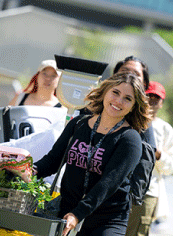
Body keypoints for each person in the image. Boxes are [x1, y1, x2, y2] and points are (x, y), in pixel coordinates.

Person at [34, 72, 151, 236]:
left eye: (128, 98)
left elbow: (108, 183)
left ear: (134, 106)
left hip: (105, 222)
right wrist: (29, 170)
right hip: (66, 214)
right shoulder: (78, 124)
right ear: (105, 91)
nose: (118, 101)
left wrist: (78, 214)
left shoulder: (130, 140)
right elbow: (52, 160)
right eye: (115, 92)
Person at [125, 81, 173, 236]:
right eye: (150, 95)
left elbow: (171, 167)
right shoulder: (128, 120)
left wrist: (159, 155)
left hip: (148, 192)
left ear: (162, 103)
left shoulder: (166, 130)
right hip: (121, 185)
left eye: (157, 97)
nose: (153, 99)